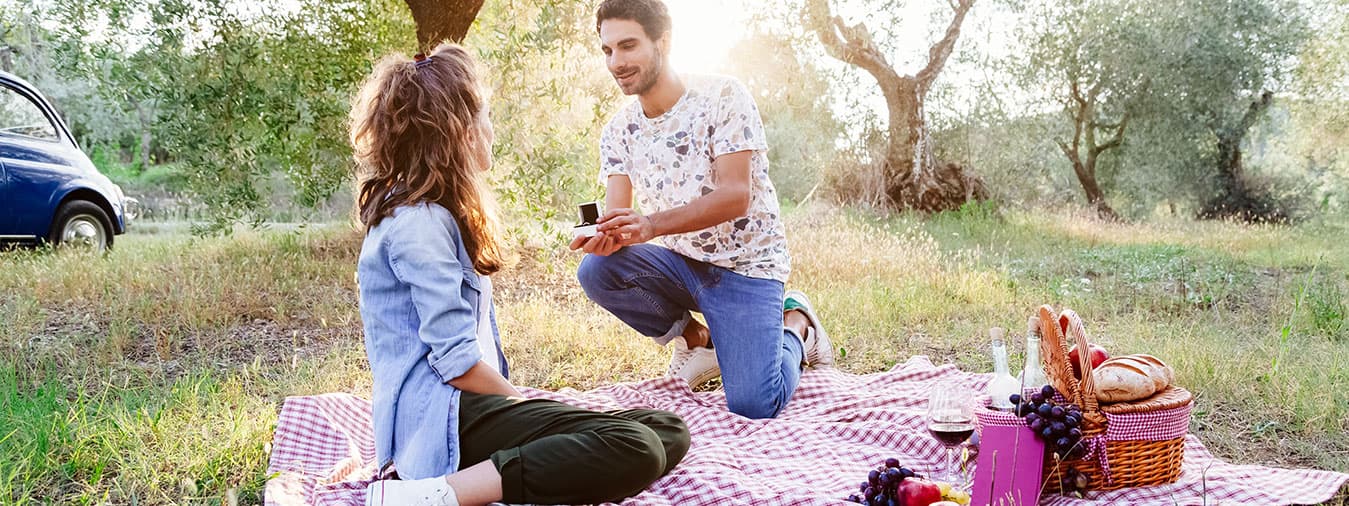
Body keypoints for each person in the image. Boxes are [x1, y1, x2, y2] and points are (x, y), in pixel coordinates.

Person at [352, 44, 689, 506]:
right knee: (637, 446)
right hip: (441, 421)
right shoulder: (418, 224)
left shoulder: (433, 214)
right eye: (486, 115)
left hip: (466, 409)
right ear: (461, 131)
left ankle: (496, 474)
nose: (492, 129)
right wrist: (520, 402)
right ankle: (428, 496)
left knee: (666, 428)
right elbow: (456, 365)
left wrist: (534, 408)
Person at [570, 0, 833, 420]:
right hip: (681, 265)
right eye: (607, 50)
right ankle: (699, 341)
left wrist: (651, 224)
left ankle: (797, 324)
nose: (616, 62)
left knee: (753, 405)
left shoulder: (723, 96)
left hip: (747, 268)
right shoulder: (618, 130)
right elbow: (619, 219)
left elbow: (735, 195)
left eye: (628, 45)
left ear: (664, 41)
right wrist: (604, 237)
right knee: (597, 272)